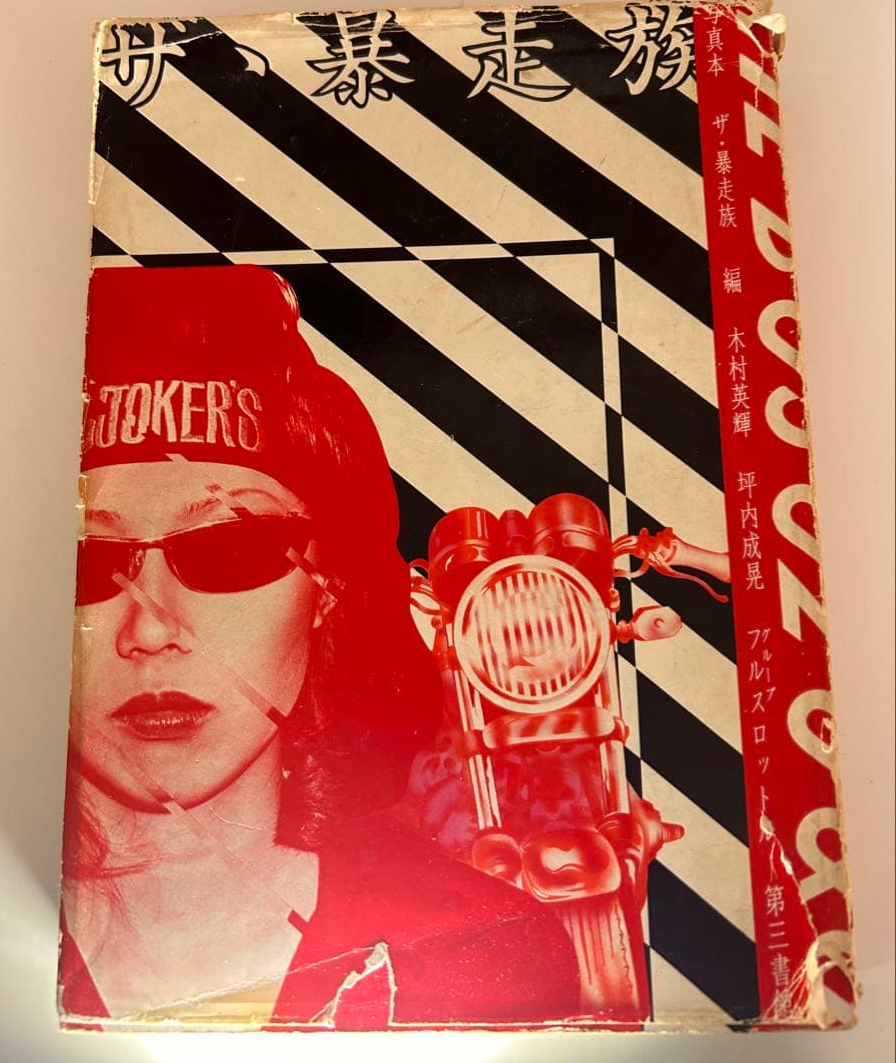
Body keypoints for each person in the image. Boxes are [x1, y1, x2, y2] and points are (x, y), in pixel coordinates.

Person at [59, 265, 580, 1029]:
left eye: (232, 552)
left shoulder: (485, 948)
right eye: (90, 564)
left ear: (328, 587)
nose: (151, 630)